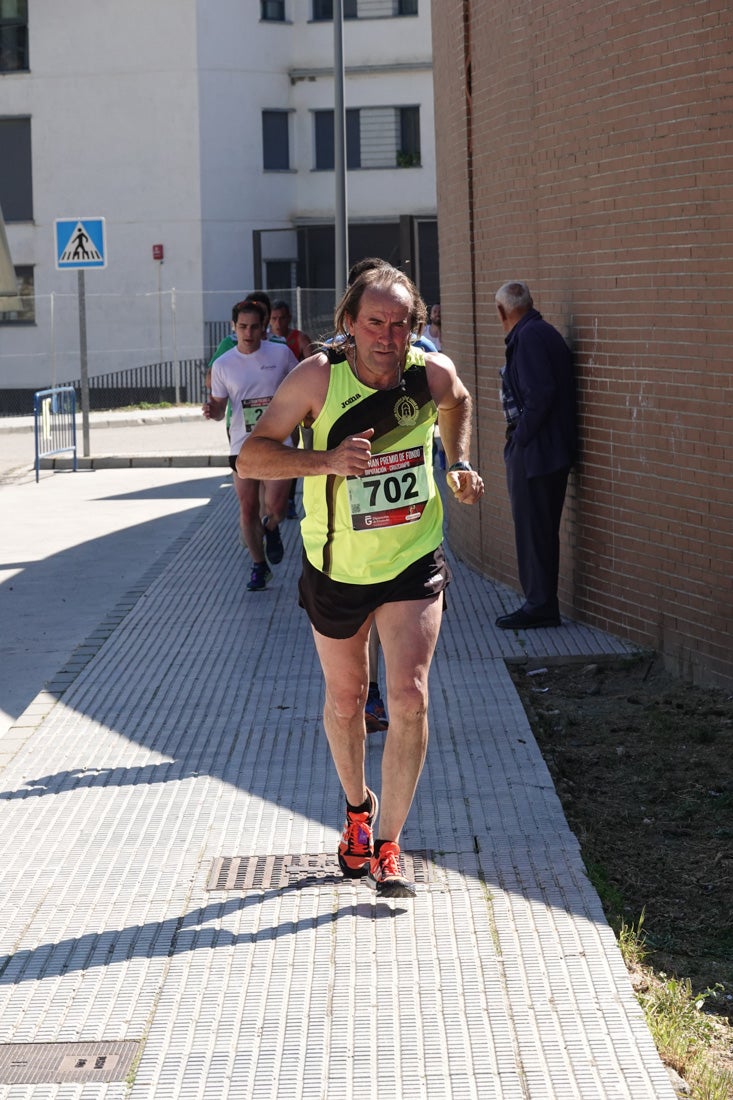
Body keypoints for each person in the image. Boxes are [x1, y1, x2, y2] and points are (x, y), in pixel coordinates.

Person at [238, 264, 484, 897]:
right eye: (375, 322)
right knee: (347, 701)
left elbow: (459, 401)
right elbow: (252, 455)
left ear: (415, 328)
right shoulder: (317, 379)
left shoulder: (428, 375)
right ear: (349, 323)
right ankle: (356, 811)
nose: (388, 336)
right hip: (337, 569)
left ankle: (389, 844)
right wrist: (324, 461)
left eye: (401, 324)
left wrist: (456, 463)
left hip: (411, 558)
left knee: (408, 698)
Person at [493, 280, 577, 629]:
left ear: (502, 313)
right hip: (546, 452)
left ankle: (539, 605)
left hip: (537, 455)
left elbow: (539, 395)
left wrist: (519, 440)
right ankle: (540, 602)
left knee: (533, 531)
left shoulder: (528, 338)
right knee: (538, 530)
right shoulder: (540, 332)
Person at [203, 299, 298, 591]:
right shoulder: (223, 364)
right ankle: (259, 567)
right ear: (234, 328)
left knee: (277, 507)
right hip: (242, 444)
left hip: (279, 440)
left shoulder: (280, 354)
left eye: (255, 327)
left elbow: (301, 385)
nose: (248, 333)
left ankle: (271, 528)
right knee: (247, 508)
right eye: (242, 327)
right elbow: (220, 407)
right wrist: (213, 411)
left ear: (264, 327)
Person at [269, 299, 313, 518]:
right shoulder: (265, 342)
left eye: (281, 318)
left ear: (289, 319)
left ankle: (288, 499)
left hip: (294, 403)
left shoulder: (298, 339)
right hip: (269, 404)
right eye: (274, 319)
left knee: (292, 449)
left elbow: (315, 360)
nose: (278, 323)